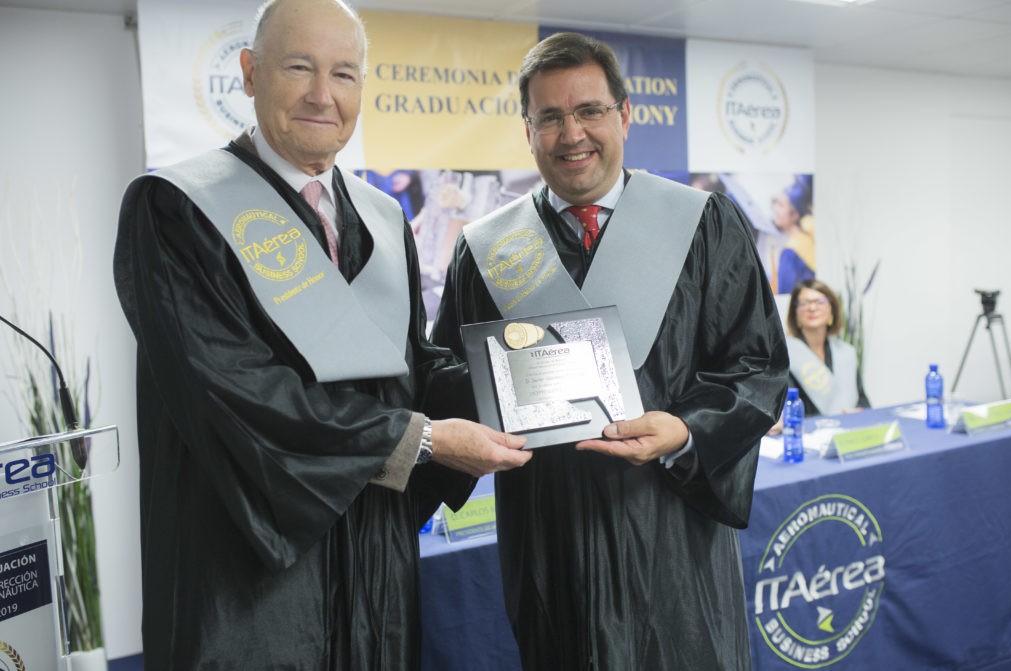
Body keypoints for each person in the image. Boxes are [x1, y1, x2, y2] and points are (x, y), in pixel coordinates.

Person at [112, 0, 531, 667]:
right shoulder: (175, 210)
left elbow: (408, 370)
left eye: (344, 74)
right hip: (248, 584)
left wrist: (517, 379)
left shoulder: (382, 217)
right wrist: (422, 440)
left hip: (374, 567)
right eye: (299, 67)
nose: (322, 95)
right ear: (250, 73)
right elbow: (234, 392)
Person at [431, 31, 789, 671]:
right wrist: (486, 415)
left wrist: (684, 430)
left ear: (624, 115)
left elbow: (757, 366)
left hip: (672, 537)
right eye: (551, 117)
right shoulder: (485, 248)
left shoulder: (704, 224)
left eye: (589, 110)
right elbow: (448, 374)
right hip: (549, 539)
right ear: (528, 130)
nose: (572, 134)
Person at [784, 278, 870, 416]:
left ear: (832, 310)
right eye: (804, 303)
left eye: (820, 302)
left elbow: (864, 402)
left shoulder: (846, 352)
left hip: (848, 430)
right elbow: (788, 407)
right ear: (795, 313)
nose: (812, 308)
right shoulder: (785, 354)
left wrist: (859, 411)